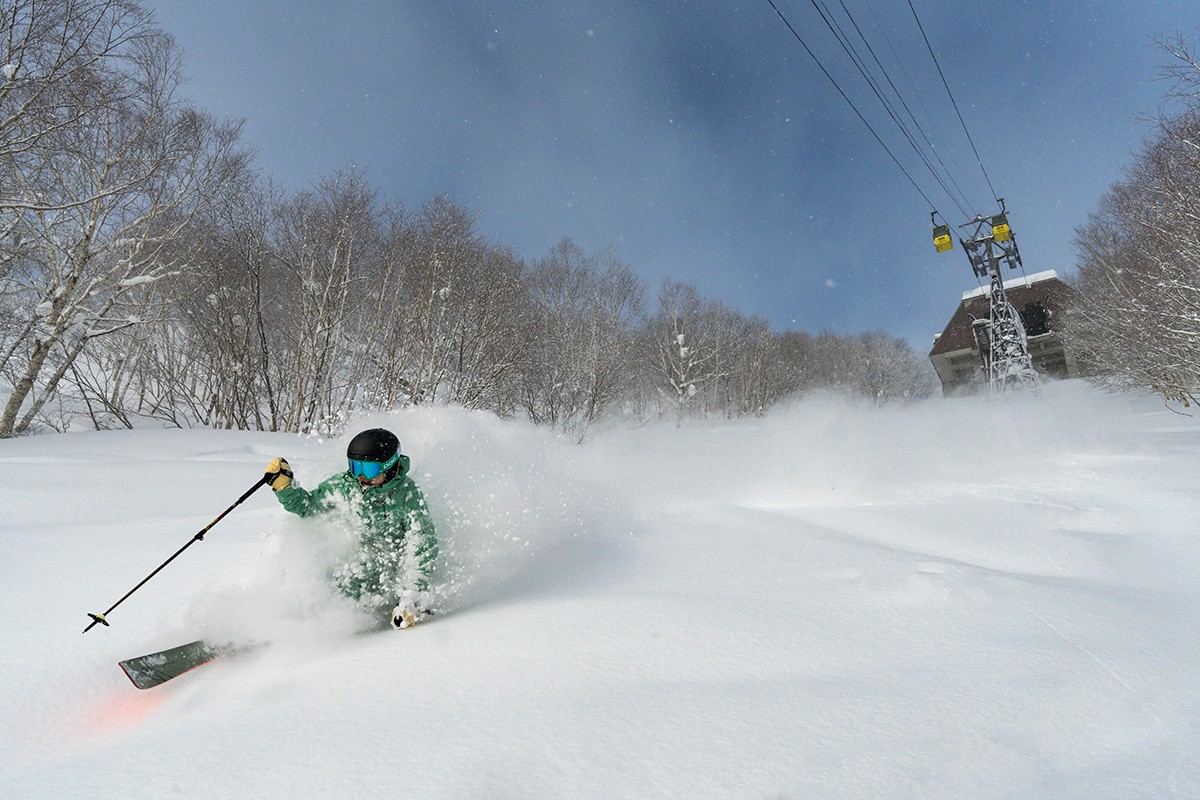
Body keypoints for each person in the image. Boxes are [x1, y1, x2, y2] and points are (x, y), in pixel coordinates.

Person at [263, 428, 437, 629]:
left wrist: (411, 599)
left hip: (384, 583)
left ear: (388, 468)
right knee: (311, 585)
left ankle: (306, 627)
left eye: (369, 469)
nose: (361, 476)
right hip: (347, 574)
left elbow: (422, 547)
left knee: (334, 606)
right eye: (355, 467)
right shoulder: (343, 486)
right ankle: (278, 626)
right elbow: (308, 507)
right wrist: (284, 487)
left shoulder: (407, 496)